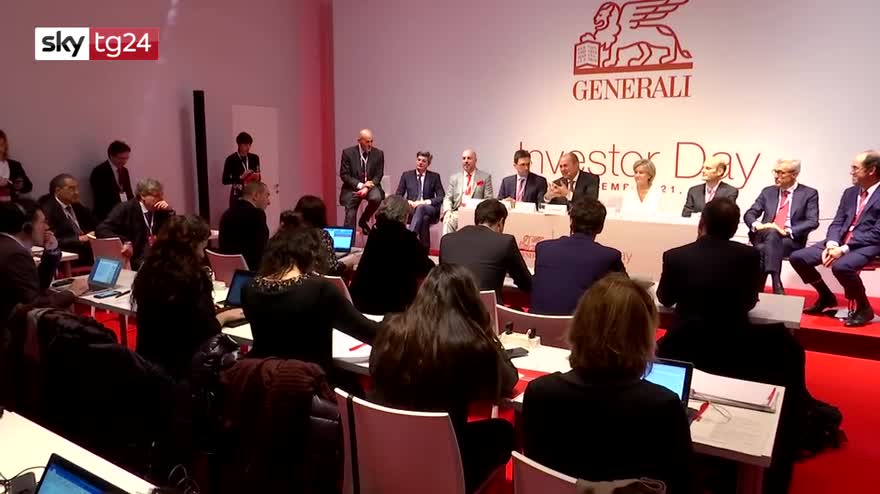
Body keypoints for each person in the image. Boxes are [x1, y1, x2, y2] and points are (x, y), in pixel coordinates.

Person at [523, 274, 694, 493]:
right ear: (644, 335)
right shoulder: (663, 406)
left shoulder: (540, 392)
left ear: (580, 324)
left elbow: (539, 475)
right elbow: (683, 486)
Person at [370, 264, 517, 493]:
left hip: (385, 451)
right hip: (444, 461)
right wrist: (486, 332)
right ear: (471, 304)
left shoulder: (391, 328)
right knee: (503, 432)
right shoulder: (470, 346)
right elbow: (508, 380)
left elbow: (373, 368)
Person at [240, 226, 380, 371]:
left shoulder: (249, 288)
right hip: (308, 380)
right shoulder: (319, 290)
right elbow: (369, 332)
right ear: (311, 255)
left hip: (263, 377)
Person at [132, 215, 241, 378]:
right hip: (183, 371)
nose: (202, 255)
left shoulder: (147, 271)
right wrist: (225, 316)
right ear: (191, 246)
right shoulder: (192, 278)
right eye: (201, 248)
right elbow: (206, 332)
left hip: (147, 365)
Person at [790, 151, 880, 327]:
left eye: (855, 168)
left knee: (842, 266)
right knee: (798, 257)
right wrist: (832, 243)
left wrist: (844, 249)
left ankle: (864, 308)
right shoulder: (850, 193)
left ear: (871, 170)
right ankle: (826, 296)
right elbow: (838, 221)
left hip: (869, 243)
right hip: (840, 241)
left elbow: (877, 232)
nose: (851, 172)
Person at [658, 197, 762, 325]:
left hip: (686, 335)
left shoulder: (675, 256)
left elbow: (665, 299)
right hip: (733, 335)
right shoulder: (750, 256)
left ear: (702, 222)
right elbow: (750, 302)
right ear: (735, 228)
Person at [531, 198, 626, 315]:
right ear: (601, 227)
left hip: (534, 322)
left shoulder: (543, 248)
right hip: (580, 324)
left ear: (571, 222)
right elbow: (628, 293)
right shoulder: (608, 256)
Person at [0, 200, 88, 323]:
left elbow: (35, 285)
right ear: (27, 226)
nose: (47, 227)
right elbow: (35, 307)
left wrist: (51, 252)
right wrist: (71, 292)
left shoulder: (7, 245)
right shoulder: (15, 254)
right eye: (43, 222)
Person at [744, 159, 820, 294]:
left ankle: (758, 290)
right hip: (764, 235)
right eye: (775, 172)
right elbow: (750, 213)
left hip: (790, 240)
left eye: (781, 173)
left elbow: (812, 221)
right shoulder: (768, 192)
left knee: (762, 249)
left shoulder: (809, 193)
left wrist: (788, 230)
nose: (777, 176)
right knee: (772, 232)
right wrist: (757, 225)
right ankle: (776, 282)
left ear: (794, 174)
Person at [349, 196, 435, 315]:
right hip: (393, 308)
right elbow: (427, 268)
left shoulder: (375, 232)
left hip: (362, 303)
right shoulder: (407, 238)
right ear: (403, 216)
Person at [440, 198, 531, 300]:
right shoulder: (505, 242)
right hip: (485, 308)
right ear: (500, 222)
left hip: (449, 305)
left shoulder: (447, 240)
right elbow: (526, 284)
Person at [96, 178, 174, 270]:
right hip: (135, 258)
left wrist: (170, 211)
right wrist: (125, 241)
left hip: (157, 256)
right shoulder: (125, 208)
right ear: (143, 196)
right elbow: (102, 229)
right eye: (156, 195)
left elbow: (174, 231)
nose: (161, 199)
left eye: (161, 195)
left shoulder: (161, 210)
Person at [280, 195, 352, 276]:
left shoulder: (286, 233)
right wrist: (348, 263)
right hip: (315, 280)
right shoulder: (321, 235)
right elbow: (332, 268)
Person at [41, 174, 98, 266]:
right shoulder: (48, 210)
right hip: (70, 254)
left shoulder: (77, 206)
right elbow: (50, 240)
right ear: (58, 191)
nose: (76, 192)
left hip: (88, 249)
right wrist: (79, 239)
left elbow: (95, 225)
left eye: (77, 188)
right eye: (71, 189)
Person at [394, 151, 445, 249]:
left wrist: (424, 202)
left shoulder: (434, 177)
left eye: (424, 161)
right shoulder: (406, 175)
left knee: (421, 207)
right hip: (411, 209)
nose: (420, 162)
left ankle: (409, 237)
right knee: (424, 219)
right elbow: (398, 194)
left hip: (429, 209)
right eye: (419, 160)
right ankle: (425, 249)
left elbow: (441, 196)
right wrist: (408, 202)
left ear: (428, 164)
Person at [339, 129, 385, 235]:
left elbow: (378, 175)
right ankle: (350, 241)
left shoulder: (378, 154)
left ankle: (363, 220)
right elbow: (344, 175)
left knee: (376, 198)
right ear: (359, 141)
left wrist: (367, 187)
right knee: (350, 215)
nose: (370, 144)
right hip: (353, 187)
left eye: (371, 141)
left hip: (371, 186)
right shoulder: (348, 153)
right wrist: (360, 185)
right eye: (367, 141)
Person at [218, 181, 271, 270]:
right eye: (267, 196)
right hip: (251, 271)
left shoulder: (227, 213)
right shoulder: (257, 214)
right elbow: (261, 249)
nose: (269, 202)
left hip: (228, 269)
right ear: (256, 195)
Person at [442, 149, 494, 234]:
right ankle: (447, 243)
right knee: (448, 220)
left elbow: (489, 199)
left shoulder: (485, 177)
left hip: (476, 213)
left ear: (475, 160)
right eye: (464, 158)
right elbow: (448, 198)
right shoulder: (454, 178)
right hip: (458, 212)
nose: (466, 161)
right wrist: (447, 211)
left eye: (469, 158)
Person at [90, 140, 134, 221]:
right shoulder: (100, 171)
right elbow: (101, 199)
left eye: (126, 158)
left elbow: (129, 192)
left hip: (123, 213)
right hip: (107, 215)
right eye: (121, 158)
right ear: (111, 156)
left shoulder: (124, 171)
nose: (124, 161)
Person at [222, 132, 261, 208]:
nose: (248, 147)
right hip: (238, 194)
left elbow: (259, 177)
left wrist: (257, 178)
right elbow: (225, 180)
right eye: (245, 145)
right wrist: (241, 177)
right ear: (239, 145)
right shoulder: (231, 159)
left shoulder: (254, 158)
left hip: (252, 193)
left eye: (249, 145)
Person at [0, 130, 32, 202]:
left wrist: (19, 186)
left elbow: (29, 187)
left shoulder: (15, 165)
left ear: (5, 146)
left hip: (11, 205)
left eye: (1, 145)